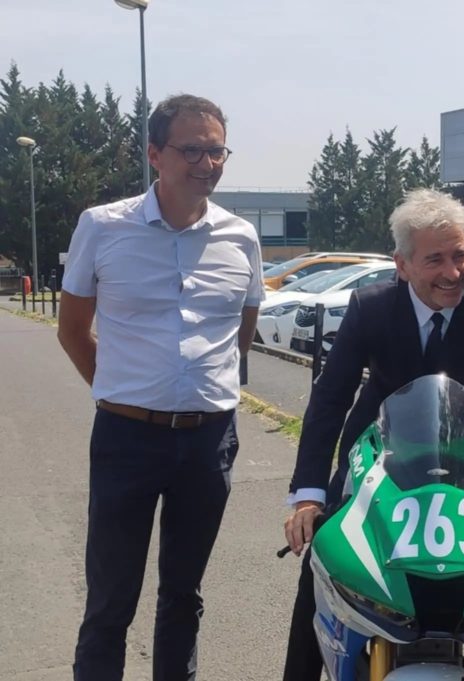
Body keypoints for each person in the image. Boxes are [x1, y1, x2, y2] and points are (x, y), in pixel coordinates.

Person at [281, 188, 464, 681]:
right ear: (402, 265)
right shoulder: (370, 306)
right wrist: (309, 495)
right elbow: (330, 397)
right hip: (379, 454)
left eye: (460, 255)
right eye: (435, 260)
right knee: (326, 564)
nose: (453, 272)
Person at [57, 94, 263, 681]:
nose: (207, 163)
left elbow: (241, 331)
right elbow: (72, 330)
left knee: (183, 594)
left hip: (208, 440)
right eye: (191, 150)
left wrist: (200, 388)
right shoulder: (103, 226)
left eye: (216, 150)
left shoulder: (241, 237)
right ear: (154, 154)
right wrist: (125, 390)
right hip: (127, 437)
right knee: (111, 599)